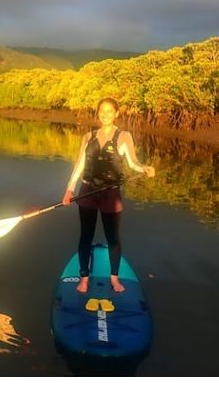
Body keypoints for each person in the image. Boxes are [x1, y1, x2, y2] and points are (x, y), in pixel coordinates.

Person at [62, 97, 155, 294]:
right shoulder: (88, 137)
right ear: (98, 113)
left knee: (113, 237)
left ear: (116, 113)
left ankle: (114, 278)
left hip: (110, 194)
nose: (105, 115)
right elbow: (80, 165)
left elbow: (132, 162)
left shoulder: (124, 136)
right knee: (85, 236)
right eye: (101, 111)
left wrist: (144, 168)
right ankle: (84, 278)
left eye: (109, 111)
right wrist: (70, 190)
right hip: (87, 191)